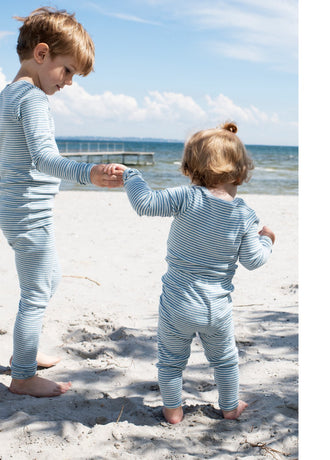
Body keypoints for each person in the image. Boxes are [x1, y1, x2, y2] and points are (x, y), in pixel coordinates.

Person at [0, 7, 123, 398]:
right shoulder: (32, 99)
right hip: (29, 213)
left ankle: (25, 351)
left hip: (17, 210)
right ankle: (23, 376)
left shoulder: (6, 95)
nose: (69, 83)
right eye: (67, 71)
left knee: (49, 279)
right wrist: (88, 173)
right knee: (35, 293)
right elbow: (45, 158)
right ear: (42, 54)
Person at [110, 122, 275, 423]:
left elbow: (144, 203)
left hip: (177, 305)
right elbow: (254, 260)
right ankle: (230, 407)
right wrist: (267, 240)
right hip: (216, 309)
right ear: (241, 171)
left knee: (171, 362)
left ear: (189, 168)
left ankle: (173, 411)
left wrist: (132, 176)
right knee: (225, 361)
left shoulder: (187, 198)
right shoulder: (245, 214)